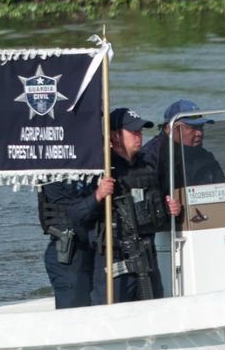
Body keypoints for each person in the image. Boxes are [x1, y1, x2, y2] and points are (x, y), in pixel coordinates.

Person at [93, 106, 180, 303]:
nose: (138, 136)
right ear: (114, 136)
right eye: (133, 132)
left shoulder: (148, 165)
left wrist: (170, 209)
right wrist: (98, 193)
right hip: (116, 256)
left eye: (140, 131)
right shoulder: (103, 169)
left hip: (147, 255)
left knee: (154, 308)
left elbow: (156, 204)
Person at [141, 98, 225, 290]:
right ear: (174, 128)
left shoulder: (205, 156)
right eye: (193, 128)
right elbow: (146, 200)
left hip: (207, 227)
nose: (199, 133)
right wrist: (165, 207)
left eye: (202, 128)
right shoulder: (151, 157)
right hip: (169, 233)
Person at [37, 175, 106, 309]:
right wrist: (97, 195)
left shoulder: (91, 173)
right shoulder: (52, 176)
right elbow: (73, 213)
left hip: (93, 250)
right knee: (73, 312)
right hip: (68, 254)